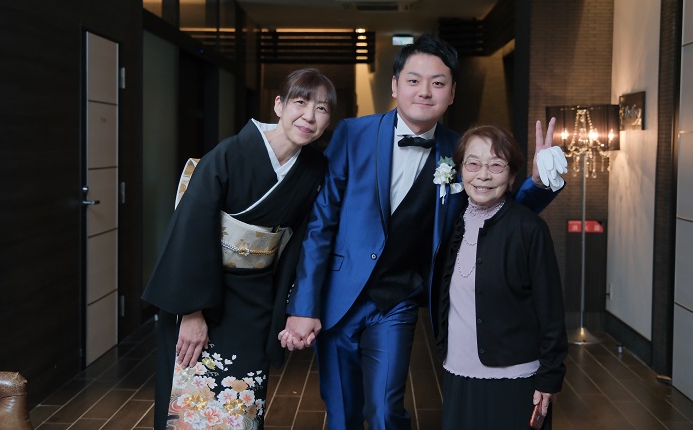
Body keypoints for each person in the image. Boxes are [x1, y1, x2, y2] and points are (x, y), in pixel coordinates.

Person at [280, 34, 565, 430]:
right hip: (338, 295)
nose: (425, 92)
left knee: (385, 410)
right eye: (414, 80)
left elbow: (496, 208)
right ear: (395, 86)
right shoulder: (352, 133)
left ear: (452, 94)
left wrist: (540, 183)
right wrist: (304, 304)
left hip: (397, 300)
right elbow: (321, 223)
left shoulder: (459, 149)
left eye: (438, 82)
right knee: (341, 411)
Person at [141, 67, 336, 430]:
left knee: (242, 410)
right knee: (186, 408)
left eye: (321, 109)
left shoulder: (314, 169)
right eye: (300, 102)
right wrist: (191, 312)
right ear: (278, 105)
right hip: (201, 296)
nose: (309, 116)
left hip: (256, 301)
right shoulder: (229, 154)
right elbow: (190, 231)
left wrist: (295, 307)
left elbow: (302, 243)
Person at [432, 125, 568, 429]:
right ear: (460, 170)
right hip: (458, 371)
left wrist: (550, 376)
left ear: (512, 176)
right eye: (473, 164)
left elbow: (551, 310)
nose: (483, 175)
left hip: (516, 379)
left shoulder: (529, 229)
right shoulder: (449, 224)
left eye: (496, 165)